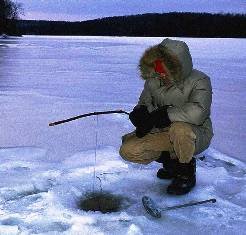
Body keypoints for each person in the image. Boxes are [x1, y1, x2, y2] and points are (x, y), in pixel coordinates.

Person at [119, 38, 213, 195]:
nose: (159, 73)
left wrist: (165, 114)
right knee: (128, 150)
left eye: (163, 69)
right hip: (163, 131)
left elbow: (198, 112)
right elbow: (144, 102)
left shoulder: (200, 81)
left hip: (195, 133)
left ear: (176, 67)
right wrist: (140, 113)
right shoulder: (153, 80)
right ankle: (172, 163)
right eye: (157, 67)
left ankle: (185, 172)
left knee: (180, 130)